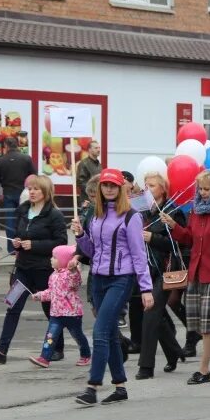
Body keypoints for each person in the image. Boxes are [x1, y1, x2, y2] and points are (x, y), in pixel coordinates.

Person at [71, 168, 153, 405]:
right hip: (97, 278)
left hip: (121, 279)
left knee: (100, 331)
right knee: (111, 335)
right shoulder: (95, 216)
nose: (108, 189)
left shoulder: (131, 216)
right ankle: (120, 386)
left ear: (120, 189)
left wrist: (146, 289)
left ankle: (92, 386)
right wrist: (80, 236)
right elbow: (92, 251)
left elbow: (139, 255)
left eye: (113, 185)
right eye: (105, 185)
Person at [160, 170, 210, 385]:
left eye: (207, 189)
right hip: (197, 270)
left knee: (208, 324)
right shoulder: (196, 208)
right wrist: (174, 226)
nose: (203, 193)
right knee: (199, 322)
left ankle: (203, 371)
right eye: (201, 189)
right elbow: (190, 237)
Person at [0, 175, 68, 365]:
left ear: (46, 192)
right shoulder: (22, 210)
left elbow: (61, 243)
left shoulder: (54, 214)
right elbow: (17, 234)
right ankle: (2, 350)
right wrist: (16, 242)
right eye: (30, 188)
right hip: (23, 269)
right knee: (12, 307)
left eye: (36, 189)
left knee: (51, 310)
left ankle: (57, 348)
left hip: (43, 270)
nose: (31, 192)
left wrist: (35, 245)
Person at [135, 172, 187, 380]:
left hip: (167, 269)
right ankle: (174, 351)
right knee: (156, 313)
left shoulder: (172, 210)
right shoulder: (140, 210)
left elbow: (180, 243)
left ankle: (146, 366)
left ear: (163, 189)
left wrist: (153, 238)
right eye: (146, 185)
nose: (148, 189)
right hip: (145, 269)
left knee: (151, 310)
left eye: (153, 185)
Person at [28, 245, 91, 368]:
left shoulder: (71, 274)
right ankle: (44, 358)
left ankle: (86, 355)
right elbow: (51, 292)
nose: (51, 259)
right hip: (56, 313)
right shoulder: (53, 276)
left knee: (78, 336)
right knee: (50, 337)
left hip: (72, 314)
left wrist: (73, 270)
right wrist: (40, 295)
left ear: (63, 260)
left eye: (54, 257)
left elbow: (76, 283)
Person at [0, 137, 35, 253]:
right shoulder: (26, 159)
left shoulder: (1, 160)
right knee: (26, 220)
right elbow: (34, 176)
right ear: (17, 145)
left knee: (10, 220)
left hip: (8, 194)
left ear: (6, 146)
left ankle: (12, 249)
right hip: (25, 194)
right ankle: (25, 246)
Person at [76, 141, 102, 206]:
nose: (98, 150)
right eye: (96, 148)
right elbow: (80, 182)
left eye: (99, 148)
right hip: (87, 200)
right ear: (89, 150)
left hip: (98, 199)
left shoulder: (99, 164)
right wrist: (93, 191)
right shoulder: (84, 163)